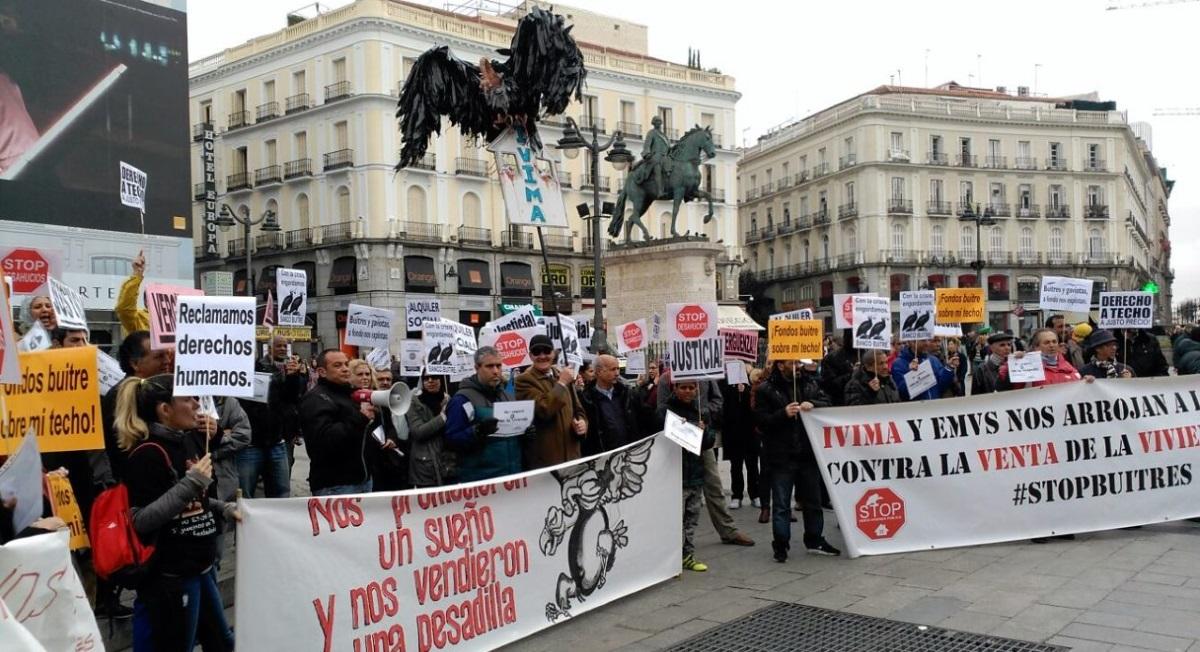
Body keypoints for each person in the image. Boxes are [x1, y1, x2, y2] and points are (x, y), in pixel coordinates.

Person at [112, 374, 237, 651]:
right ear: (164, 409)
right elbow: (140, 520)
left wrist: (225, 508)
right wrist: (191, 483)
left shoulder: (188, 441)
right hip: (173, 576)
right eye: (188, 399)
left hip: (200, 568)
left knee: (222, 642)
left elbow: (196, 502)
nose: (197, 405)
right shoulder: (147, 453)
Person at [755, 359, 838, 562]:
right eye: (793, 363)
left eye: (799, 363)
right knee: (782, 503)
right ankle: (781, 544)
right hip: (781, 455)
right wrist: (782, 414)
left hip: (807, 453)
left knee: (813, 501)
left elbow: (828, 403)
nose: (798, 367)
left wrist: (815, 404)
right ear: (781, 365)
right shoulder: (766, 389)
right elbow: (760, 421)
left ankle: (815, 539)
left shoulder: (810, 383)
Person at [237, 335, 306, 498]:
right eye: (279, 346)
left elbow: (291, 398)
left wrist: (293, 377)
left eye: (285, 346)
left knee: (281, 493)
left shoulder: (287, 369)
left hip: (278, 441)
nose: (282, 349)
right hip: (251, 444)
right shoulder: (256, 368)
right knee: (245, 494)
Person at [656, 379, 713, 572]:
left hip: (695, 473)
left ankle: (687, 555)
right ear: (675, 389)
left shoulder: (701, 411)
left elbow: (708, 442)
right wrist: (688, 427)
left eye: (691, 387)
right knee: (674, 519)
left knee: (691, 518)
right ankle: (670, 558)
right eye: (683, 388)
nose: (688, 391)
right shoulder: (665, 411)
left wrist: (703, 432)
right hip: (675, 474)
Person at [300, 349, 374, 495]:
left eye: (346, 364)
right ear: (322, 371)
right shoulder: (315, 399)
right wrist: (360, 418)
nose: (345, 369)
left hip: (362, 481)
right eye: (338, 365)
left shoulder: (348, 395)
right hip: (336, 486)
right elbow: (324, 441)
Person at [445, 346, 522, 481]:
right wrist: (477, 431)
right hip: (481, 481)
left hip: (512, 477)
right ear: (477, 368)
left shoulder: (508, 396)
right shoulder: (462, 399)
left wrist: (524, 432)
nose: (496, 371)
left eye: (498, 366)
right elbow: (451, 440)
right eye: (490, 366)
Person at [516, 334, 588, 469]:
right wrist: (561, 383)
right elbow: (544, 410)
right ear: (531, 356)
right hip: (547, 462)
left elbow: (578, 410)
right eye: (537, 352)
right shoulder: (524, 380)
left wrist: (583, 424)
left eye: (547, 351)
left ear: (554, 353)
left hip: (572, 457)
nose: (542, 356)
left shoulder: (561, 374)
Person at [580, 354, 640, 456]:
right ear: (598, 372)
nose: (617, 373)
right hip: (604, 460)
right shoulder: (586, 399)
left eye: (618, 369)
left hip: (629, 454)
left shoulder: (626, 394)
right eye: (613, 369)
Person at [1000, 328, 1095, 390]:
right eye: (1046, 342)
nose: (1052, 345)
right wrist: (1012, 365)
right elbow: (1002, 387)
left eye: (1054, 342)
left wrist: (1085, 382)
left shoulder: (1068, 367)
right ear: (1036, 347)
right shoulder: (1026, 366)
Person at [721, 363, 759, 510]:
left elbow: (755, 405)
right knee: (735, 465)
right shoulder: (725, 383)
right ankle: (737, 495)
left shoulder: (752, 381)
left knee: (752, 465)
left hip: (750, 431)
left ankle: (755, 494)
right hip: (733, 431)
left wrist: (746, 390)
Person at [408, 372, 454, 488]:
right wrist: (442, 418)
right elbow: (418, 432)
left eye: (434, 377)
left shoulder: (449, 400)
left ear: (441, 380)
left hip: (446, 464)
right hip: (425, 466)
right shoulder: (414, 402)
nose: (430, 381)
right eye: (426, 378)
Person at [368, 365, 410, 492]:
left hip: (398, 463)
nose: (385, 382)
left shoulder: (397, 398)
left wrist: (392, 438)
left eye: (388, 379)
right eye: (380, 379)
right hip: (376, 465)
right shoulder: (368, 402)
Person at [891, 339, 957, 401]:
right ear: (911, 342)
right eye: (923, 340)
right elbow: (902, 393)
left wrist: (949, 368)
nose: (927, 343)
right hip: (915, 410)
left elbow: (942, 386)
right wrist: (912, 374)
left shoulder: (933, 360)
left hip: (935, 408)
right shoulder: (898, 364)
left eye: (928, 340)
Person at [115, 250, 151, 336]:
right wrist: (137, 274)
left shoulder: (174, 321)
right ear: (146, 301)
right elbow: (124, 309)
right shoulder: (139, 318)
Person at [819, 331, 855, 406]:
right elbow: (828, 386)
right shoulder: (832, 358)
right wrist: (851, 374)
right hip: (840, 404)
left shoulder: (868, 355)